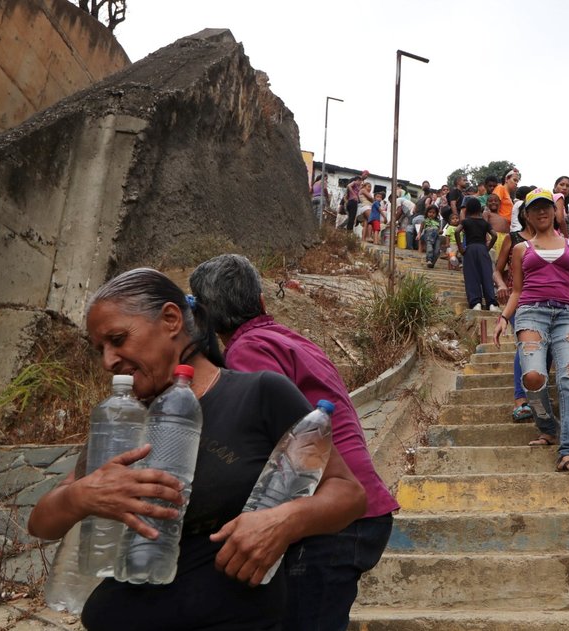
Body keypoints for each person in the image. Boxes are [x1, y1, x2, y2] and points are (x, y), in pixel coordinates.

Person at [28, 268, 366, 631]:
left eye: (118, 339)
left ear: (171, 319)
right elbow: (41, 524)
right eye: (101, 349)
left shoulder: (258, 394)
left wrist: (283, 521)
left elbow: (349, 494)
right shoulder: (122, 419)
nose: (108, 361)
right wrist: (81, 496)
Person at [189, 255, 399, 631]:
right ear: (263, 302)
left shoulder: (247, 352)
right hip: (354, 513)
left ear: (202, 320)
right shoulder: (287, 339)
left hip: (332, 517)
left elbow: (263, 445)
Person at [493, 189, 569, 472]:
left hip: (568, 315)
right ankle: (547, 426)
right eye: (536, 209)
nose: (542, 212)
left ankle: (568, 451)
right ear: (527, 216)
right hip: (531, 313)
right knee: (533, 376)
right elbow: (517, 290)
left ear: (555, 212)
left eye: (547, 207)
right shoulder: (521, 249)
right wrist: (504, 317)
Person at [493, 203, 538, 423]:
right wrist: (501, 285)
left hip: (544, 299)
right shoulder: (514, 239)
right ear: (524, 215)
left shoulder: (552, 239)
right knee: (524, 345)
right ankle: (520, 400)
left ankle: (537, 394)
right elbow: (497, 269)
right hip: (517, 298)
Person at [456, 197, 498, 310]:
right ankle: (491, 303)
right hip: (482, 249)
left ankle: (476, 303)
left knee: (471, 275)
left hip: (470, 249)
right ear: (480, 209)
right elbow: (494, 235)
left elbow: (456, 231)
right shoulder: (484, 223)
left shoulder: (465, 221)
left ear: (468, 209)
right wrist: (487, 248)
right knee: (486, 274)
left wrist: (460, 248)